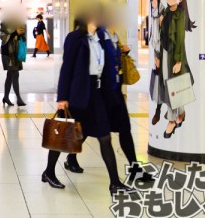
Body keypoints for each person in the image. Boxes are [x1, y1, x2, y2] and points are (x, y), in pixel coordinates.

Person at [42, 14, 134, 194]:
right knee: (65, 136)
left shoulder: (99, 36)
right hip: (78, 94)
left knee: (104, 137)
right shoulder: (75, 38)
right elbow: (66, 68)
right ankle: (49, 171)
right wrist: (62, 98)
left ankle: (114, 183)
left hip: (97, 94)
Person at [64, 22, 153, 183]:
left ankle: (133, 170)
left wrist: (121, 52)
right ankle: (68, 159)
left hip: (113, 93)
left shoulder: (112, 35)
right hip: (101, 94)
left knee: (124, 129)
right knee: (87, 130)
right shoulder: (95, 36)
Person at [158, 0, 195, 139]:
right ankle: (180, 113)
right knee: (170, 86)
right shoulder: (165, 12)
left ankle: (172, 120)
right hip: (165, 54)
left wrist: (179, 60)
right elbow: (162, 37)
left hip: (175, 55)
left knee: (173, 87)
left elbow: (180, 38)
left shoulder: (180, 14)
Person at [148, 0, 166, 125]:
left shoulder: (163, 11)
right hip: (157, 48)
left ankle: (165, 109)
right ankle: (159, 109)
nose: (153, 2)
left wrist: (162, 21)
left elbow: (165, 31)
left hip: (164, 48)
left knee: (166, 78)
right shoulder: (152, 11)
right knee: (160, 77)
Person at [0, 21, 26, 106]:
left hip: (15, 53)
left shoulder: (18, 23)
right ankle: (18, 99)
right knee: (15, 73)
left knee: (10, 75)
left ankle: (6, 97)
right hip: (8, 54)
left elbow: (20, 37)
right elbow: (3, 38)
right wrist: (15, 33)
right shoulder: (4, 24)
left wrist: (20, 35)